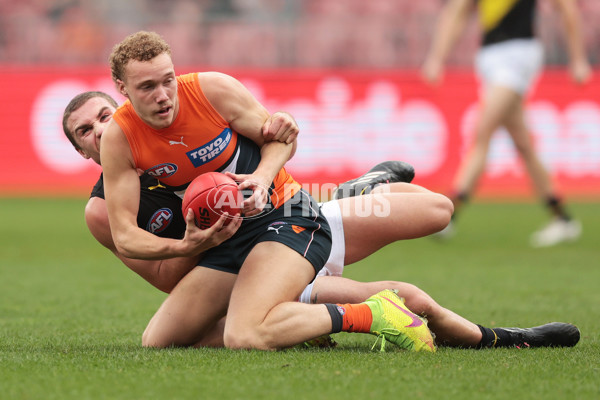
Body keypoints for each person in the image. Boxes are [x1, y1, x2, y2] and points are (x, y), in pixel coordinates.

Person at [63, 90, 581, 350]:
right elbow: (166, 280)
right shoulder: (102, 210)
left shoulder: (181, 126)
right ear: (84, 152)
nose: (99, 130)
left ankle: (358, 190)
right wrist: (200, 235)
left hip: (292, 219)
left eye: (105, 116)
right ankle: (505, 339)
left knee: (437, 210)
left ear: (125, 110)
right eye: (84, 131)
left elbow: (274, 137)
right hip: (236, 267)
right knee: (408, 299)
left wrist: (272, 144)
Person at [99, 31, 441, 352]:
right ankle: (297, 324)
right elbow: (126, 237)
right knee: (159, 340)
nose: (162, 95)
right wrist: (186, 246)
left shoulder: (211, 90)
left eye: (168, 80)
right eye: (146, 87)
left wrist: (262, 179)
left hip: (286, 214)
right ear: (121, 88)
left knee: (244, 334)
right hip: (229, 241)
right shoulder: (120, 139)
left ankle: (372, 313)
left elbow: (281, 139)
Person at [421, 0, 591, 247]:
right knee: (523, 144)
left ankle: (449, 214)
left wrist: (577, 59)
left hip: (518, 56)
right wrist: (436, 57)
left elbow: (566, 8)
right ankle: (562, 218)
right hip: (490, 59)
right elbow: (456, 13)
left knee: (483, 131)